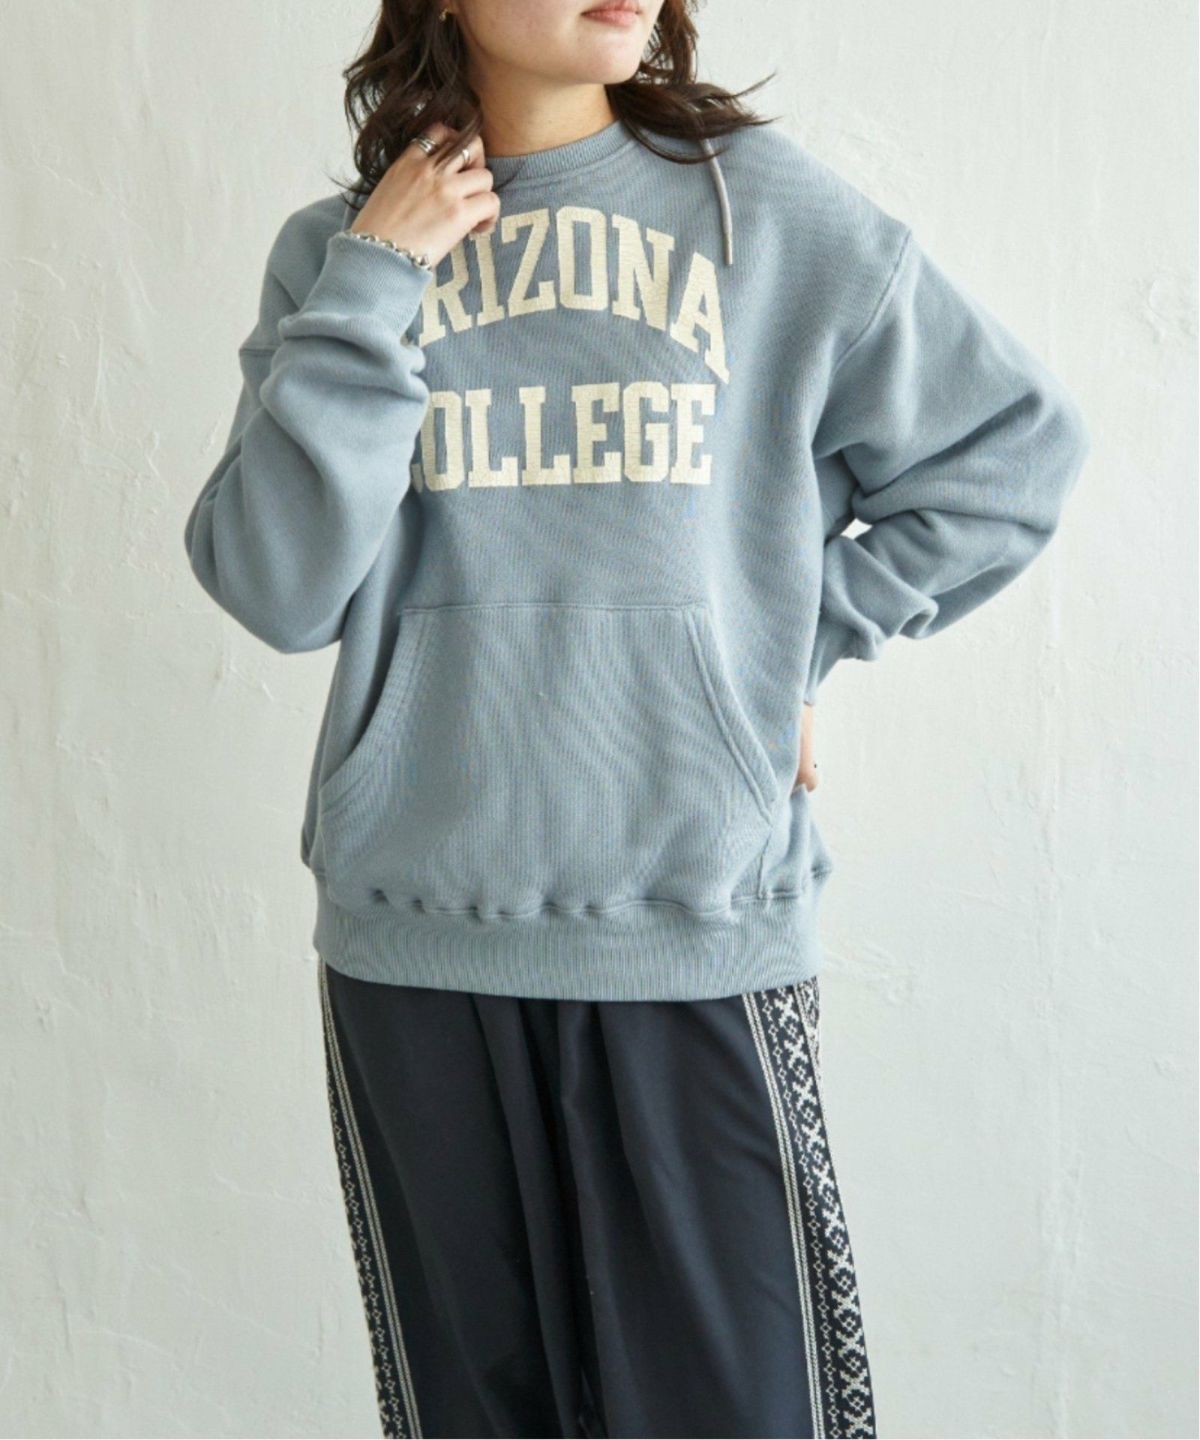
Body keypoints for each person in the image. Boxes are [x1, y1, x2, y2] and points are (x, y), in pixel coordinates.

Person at [182, 1, 1091, 1435]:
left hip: (689, 922)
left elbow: (1011, 452)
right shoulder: (340, 251)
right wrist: (371, 282)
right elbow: (277, 588)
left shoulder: (764, 215)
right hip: (416, 938)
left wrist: (794, 654)